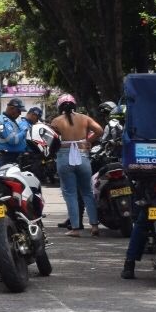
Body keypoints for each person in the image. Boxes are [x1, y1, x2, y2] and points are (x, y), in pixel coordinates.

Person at [51, 94, 103, 235]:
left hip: (64, 156)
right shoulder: (85, 118)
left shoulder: (56, 121)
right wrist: (89, 141)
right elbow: (99, 130)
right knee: (87, 192)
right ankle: (94, 226)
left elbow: (51, 140)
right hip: (82, 155)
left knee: (70, 193)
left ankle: (75, 228)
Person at [0, 98, 30, 164]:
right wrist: (25, 131)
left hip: (13, 156)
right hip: (8, 157)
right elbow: (12, 140)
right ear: (12, 108)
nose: (20, 114)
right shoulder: (3, 121)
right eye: (19, 111)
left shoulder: (10, 120)